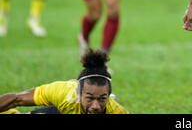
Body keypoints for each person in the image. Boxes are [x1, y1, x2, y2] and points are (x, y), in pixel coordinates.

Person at [0, 48, 130, 114]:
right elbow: (16, 99)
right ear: (78, 93)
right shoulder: (63, 93)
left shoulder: (115, 110)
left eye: (102, 99)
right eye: (90, 98)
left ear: (108, 97)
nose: (95, 106)